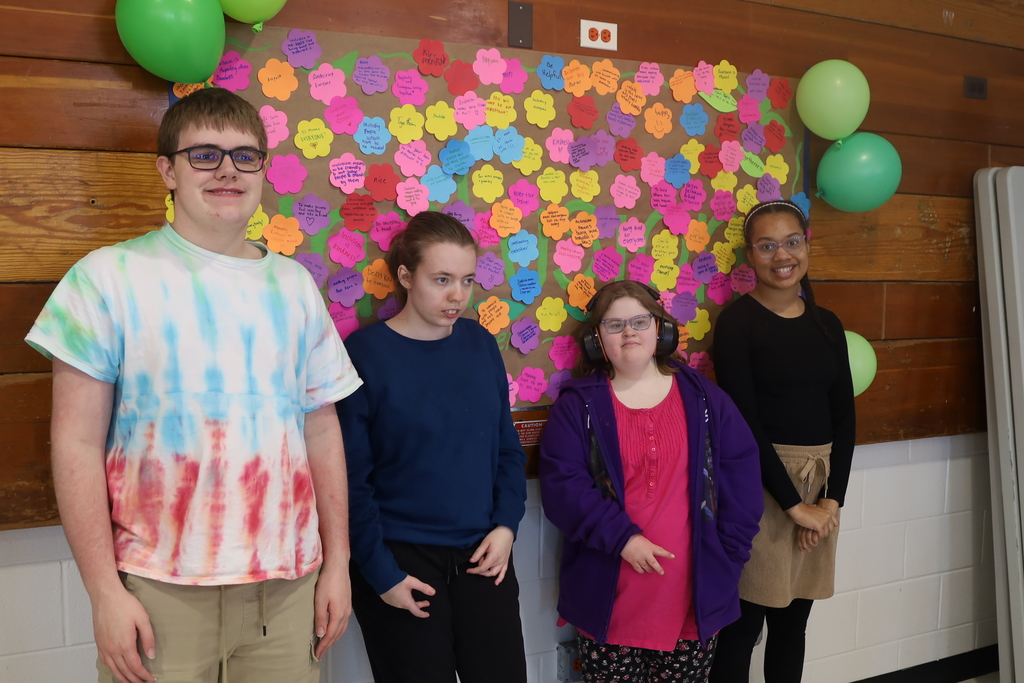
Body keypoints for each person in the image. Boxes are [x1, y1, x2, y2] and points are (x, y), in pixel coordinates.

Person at [25, 87, 362, 683]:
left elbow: (322, 425)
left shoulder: (294, 286)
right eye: (204, 154)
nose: (228, 169)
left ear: (263, 167)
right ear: (168, 170)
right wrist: (104, 592)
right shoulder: (107, 278)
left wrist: (338, 563)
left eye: (245, 155)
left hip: (287, 591)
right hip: (161, 592)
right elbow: (75, 444)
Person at [538, 279, 764, 683]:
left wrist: (730, 555)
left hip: (692, 601)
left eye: (640, 321)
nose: (629, 333)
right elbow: (563, 488)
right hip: (610, 600)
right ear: (596, 341)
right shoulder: (577, 407)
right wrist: (623, 538)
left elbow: (742, 476)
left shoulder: (704, 398)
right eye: (614, 325)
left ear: (661, 329)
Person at [336, 211, 528, 683]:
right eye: (441, 279)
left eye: (465, 280)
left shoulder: (480, 344)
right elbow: (350, 481)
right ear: (405, 275)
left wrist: (506, 525)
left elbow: (506, 448)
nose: (456, 296)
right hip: (401, 560)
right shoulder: (364, 354)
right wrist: (381, 574)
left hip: (484, 554)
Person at [709, 200, 856, 683]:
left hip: (819, 488)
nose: (782, 255)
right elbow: (745, 425)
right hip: (760, 490)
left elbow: (846, 421)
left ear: (806, 245)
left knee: (793, 626)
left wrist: (830, 502)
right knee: (743, 627)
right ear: (749, 257)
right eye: (767, 246)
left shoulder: (827, 324)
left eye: (792, 242)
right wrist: (796, 508)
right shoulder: (736, 324)